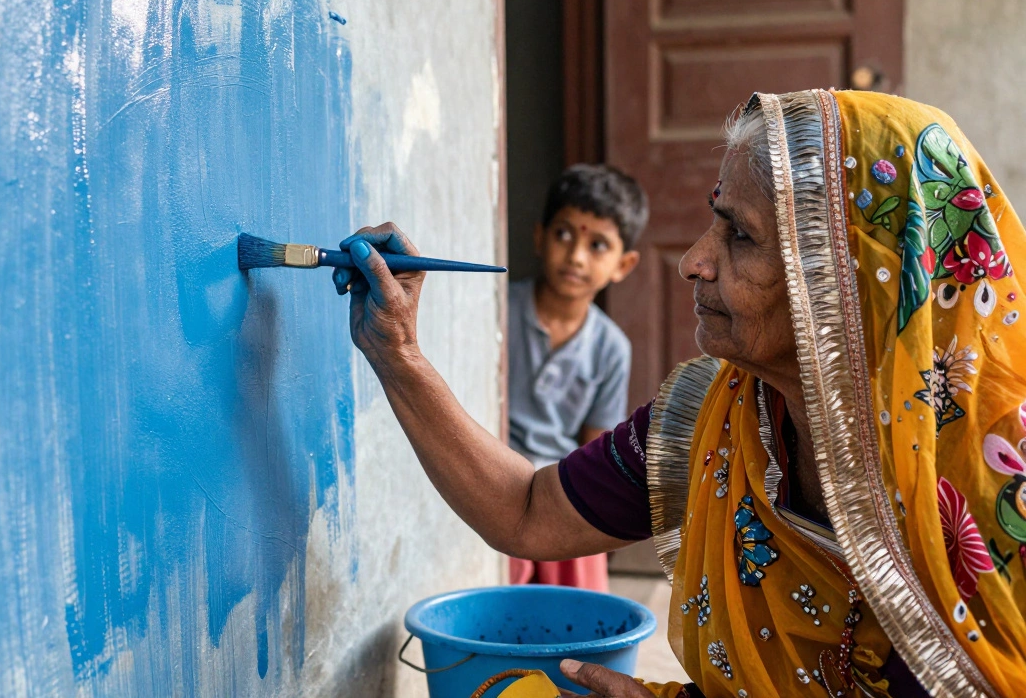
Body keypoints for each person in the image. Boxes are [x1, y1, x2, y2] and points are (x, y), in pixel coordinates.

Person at [332, 89, 1026, 697]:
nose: (694, 261)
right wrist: (398, 353)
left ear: (846, 279)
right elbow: (529, 513)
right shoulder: (713, 420)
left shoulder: (1004, 480)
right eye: (713, 219)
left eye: (739, 236)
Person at [507, 164, 645, 592]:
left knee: (579, 559)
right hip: (497, 466)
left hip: (555, 481)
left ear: (623, 264)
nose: (576, 256)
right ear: (539, 236)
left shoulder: (611, 348)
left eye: (597, 244)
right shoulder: (500, 313)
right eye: (564, 234)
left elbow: (593, 447)